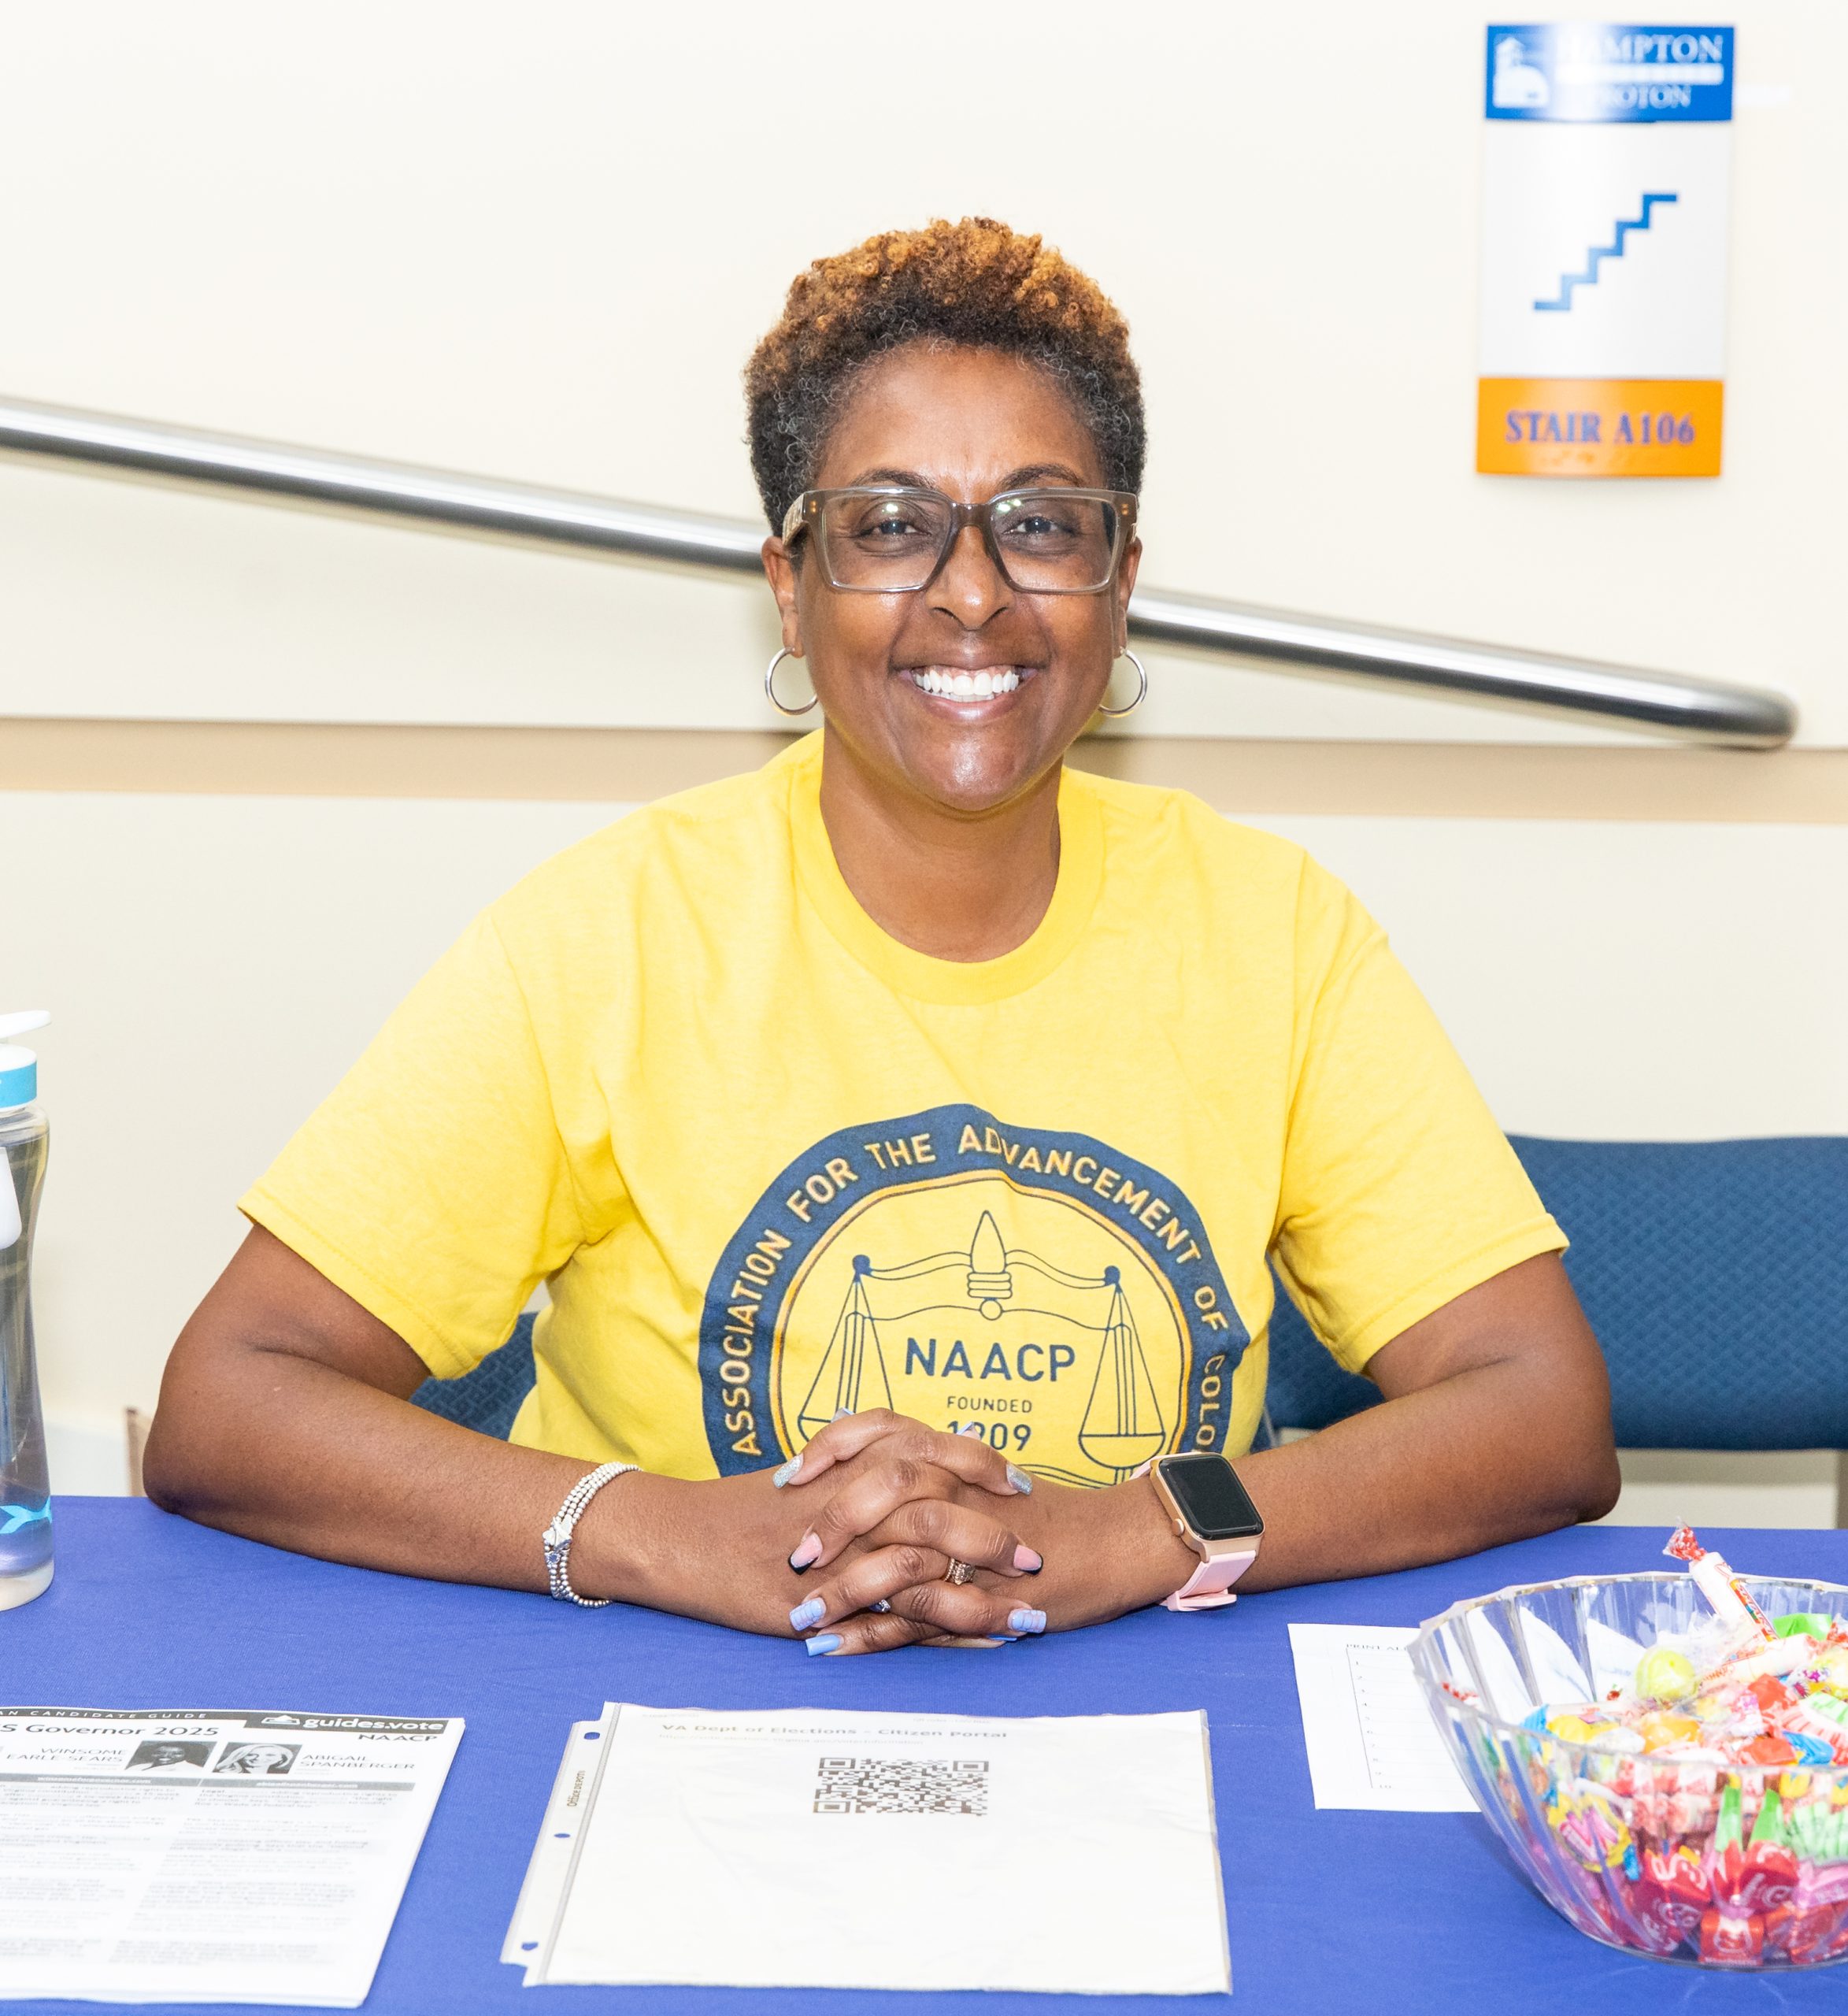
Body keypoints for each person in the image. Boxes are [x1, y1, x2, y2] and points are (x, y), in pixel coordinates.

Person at [145, 218, 1619, 1653]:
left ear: (1120, 584)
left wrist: (1136, 1533)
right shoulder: (607, 936)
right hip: (671, 1699)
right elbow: (232, 1399)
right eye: (892, 527)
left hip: (1144, 1706)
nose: (972, 594)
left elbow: (1539, 1407)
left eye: (1042, 525)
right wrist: (662, 1533)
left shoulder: (1277, 932)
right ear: (789, 587)